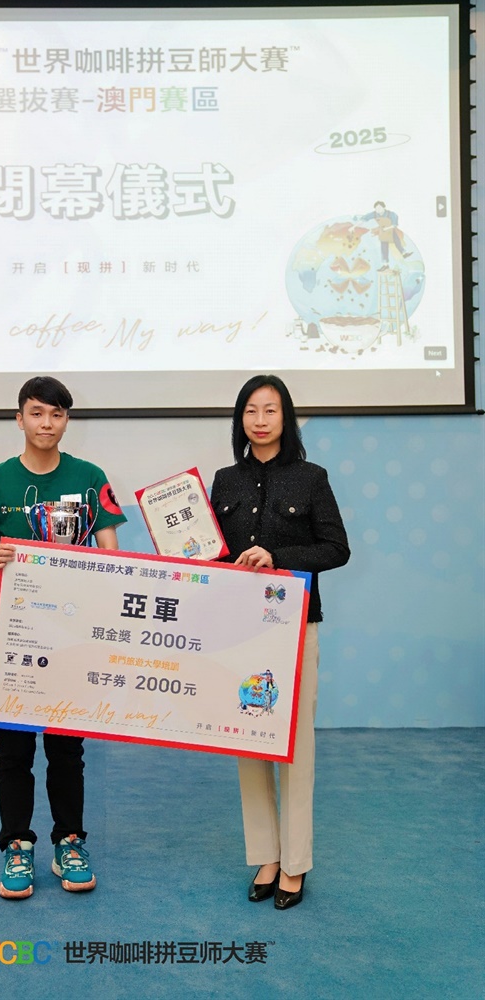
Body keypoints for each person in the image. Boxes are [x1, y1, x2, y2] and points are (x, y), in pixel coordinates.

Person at [0, 376, 126, 899]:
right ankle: (16, 845)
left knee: (66, 747)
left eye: (56, 414)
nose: (46, 423)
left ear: (66, 421)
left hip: (73, 634)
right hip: (12, 634)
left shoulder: (90, 477)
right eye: (36, 413)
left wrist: (96, 566)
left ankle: (69, 841)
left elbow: (111, 550)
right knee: (12, 748)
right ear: (19, 419)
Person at [210, 375, 349, 910]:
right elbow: (213, 555)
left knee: (294, 743)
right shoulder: (225, 481)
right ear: (240, 419)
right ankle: (266, 856)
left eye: (270, 410)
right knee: (247, 738)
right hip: (238, 629)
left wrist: (279, 558)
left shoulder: (311, 478)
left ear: (285, 417)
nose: (260, 420)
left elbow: (336, 549)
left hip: (295, 626)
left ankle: (295, 863)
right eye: (251, 410)